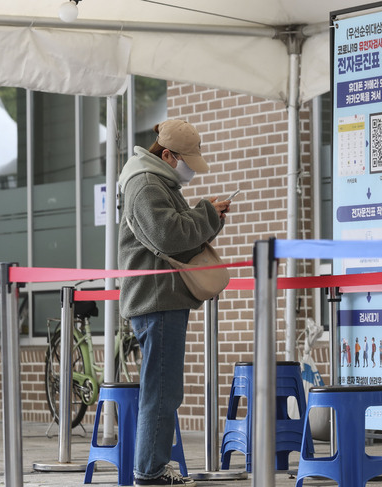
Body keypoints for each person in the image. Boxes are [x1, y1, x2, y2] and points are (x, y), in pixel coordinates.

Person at [118, 119, 232, 486]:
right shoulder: (146, 184)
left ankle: (150, 469)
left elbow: (176, 230)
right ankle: (150, 472)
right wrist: (208, 213)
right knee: (162, 392)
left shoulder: (154, 181)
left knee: (162, 390)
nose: (190, 170)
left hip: (159, 299)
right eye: (186, 161)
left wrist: (209, 217)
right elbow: (170, 235)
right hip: (157, 300)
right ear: (166, 155)